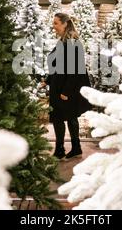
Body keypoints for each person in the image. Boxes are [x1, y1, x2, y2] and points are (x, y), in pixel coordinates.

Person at [41, 12, 92, 160]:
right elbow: (56, 66)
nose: (53, 26)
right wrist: (48, 80)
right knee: (64, 117)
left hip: (66, 88)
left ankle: (65, 149)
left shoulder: (72, 43)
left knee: (66, 117)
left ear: (65, 24)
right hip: (59, 85)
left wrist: (66, 91)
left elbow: (76, 71)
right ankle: (68, 148)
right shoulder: (63, 42)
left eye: (56, 23)